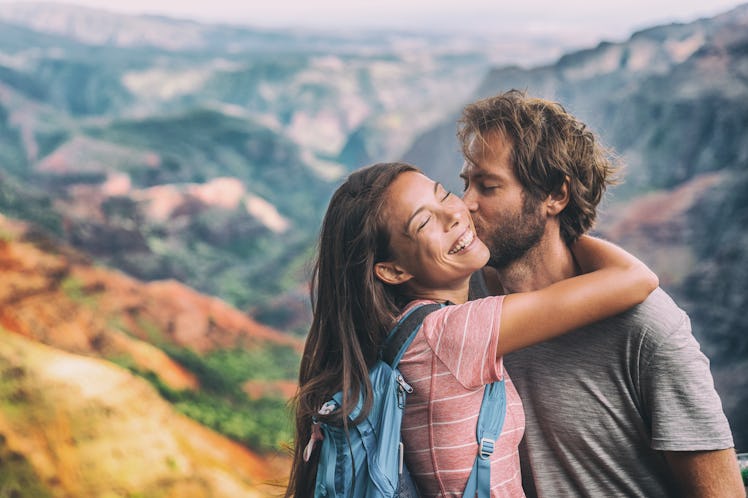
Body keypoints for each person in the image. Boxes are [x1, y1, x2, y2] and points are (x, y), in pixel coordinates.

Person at [286, 161, 658, 497]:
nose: (452, 214)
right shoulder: (453, 333)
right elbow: (634, 279)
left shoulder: (404, 329)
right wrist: (554, 223)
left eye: (444, 194)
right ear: (393, 271)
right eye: (424, 222)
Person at [458, 89, 743, 497]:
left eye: (487, 187)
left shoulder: (647, 330)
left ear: (555, 195)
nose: (465, 203)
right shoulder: (459, 298)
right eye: (466, 183)